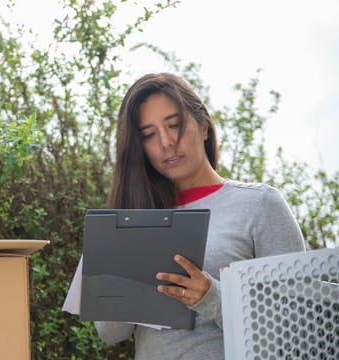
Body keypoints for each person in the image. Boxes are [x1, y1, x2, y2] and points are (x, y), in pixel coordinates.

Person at [63, 73, 306, 359]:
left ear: (203, 125)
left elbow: (297, 326)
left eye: (174, 125)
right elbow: (111, 334)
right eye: (149, 135)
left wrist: (212, 298)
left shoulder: (259, 205)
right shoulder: (129, 220)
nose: (166, 142)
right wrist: (123, 265)